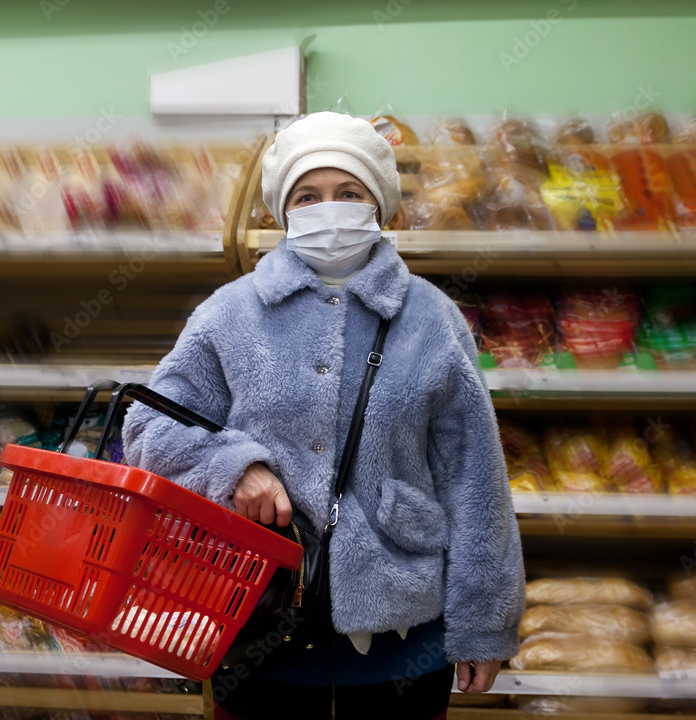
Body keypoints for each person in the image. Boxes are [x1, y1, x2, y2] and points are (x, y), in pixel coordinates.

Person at [122, 111, 525, 720]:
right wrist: (234, 468)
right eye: (307, 196)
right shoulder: (228, 315)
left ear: (379, 204)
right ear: (283, 210)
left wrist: (485, 623)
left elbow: (475, 479)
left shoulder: (432, 318)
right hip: (258, 615)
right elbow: (148, 426)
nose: (328, 210)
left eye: (349, 193)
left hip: (404, 629)